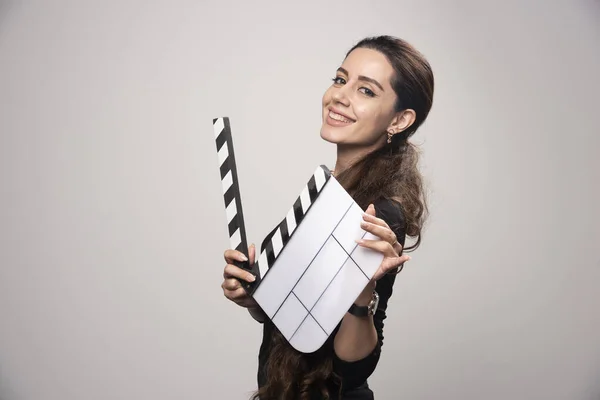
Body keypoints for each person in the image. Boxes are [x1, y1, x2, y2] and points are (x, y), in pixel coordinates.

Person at [221, 35, 434, 399]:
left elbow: (351, 368)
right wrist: (253, 295)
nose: (339, 95)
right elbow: (296, 317)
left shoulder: (377, 212)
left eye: (366, 91)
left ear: (400, 119)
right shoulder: (330, 190)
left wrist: (363, 289)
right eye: (340, 79)